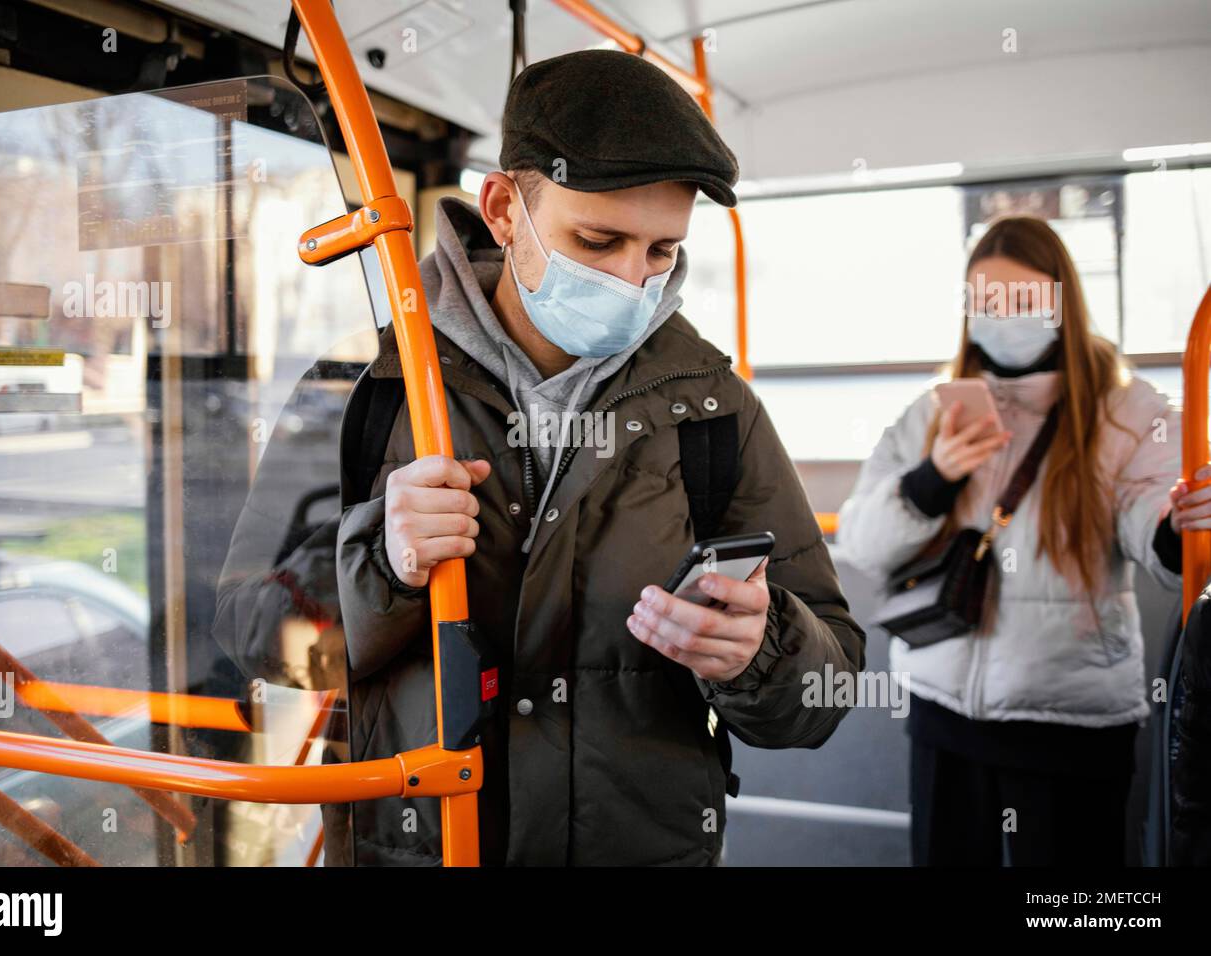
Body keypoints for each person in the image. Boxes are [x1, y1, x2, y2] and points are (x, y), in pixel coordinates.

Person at [325, 49, 866, 866]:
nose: (632, 283)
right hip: (420, 843)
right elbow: (253, 642)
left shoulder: (714, 409)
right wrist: (384, 565)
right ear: (505, 209)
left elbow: (827, 690)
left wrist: (761, 652)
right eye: (599, 239)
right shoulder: (375, 389)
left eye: (661, 253)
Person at [837, 215, 1198, 866]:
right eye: (986, 303)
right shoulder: (932, 412)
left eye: (1024, 301)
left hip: (1068, 721)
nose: (1003, 318)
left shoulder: (1130, 412)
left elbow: (1150, 519)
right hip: (944, 708)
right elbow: (863, 541)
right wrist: (931, 481)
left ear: (1063, 302)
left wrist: (1180, 526)